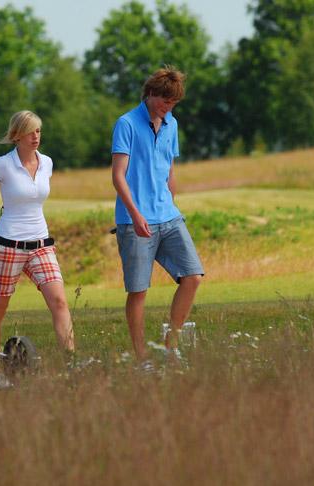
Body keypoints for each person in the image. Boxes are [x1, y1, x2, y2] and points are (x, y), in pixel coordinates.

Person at [0, 110, 74, 387]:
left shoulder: (47, 163)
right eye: (30, 131)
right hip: (8, 246)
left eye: (38, 130)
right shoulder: (4, 164)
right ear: (16, 136)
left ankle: (71, 368)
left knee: (60, 302)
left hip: (41, 245)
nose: (36, 136)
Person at [111, 67, 204, 360]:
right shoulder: (126, 124)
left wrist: (170, 204)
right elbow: (118, 175)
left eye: (174, 104)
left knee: (193, 276)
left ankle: (170, 347)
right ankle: (142, 359)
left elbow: (170, 170)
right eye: (165, 102)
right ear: (151, 94)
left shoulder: (171, 124)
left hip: (169, 216)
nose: (169, 108)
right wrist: (135, 215)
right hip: (134, 221)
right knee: (139, 291)